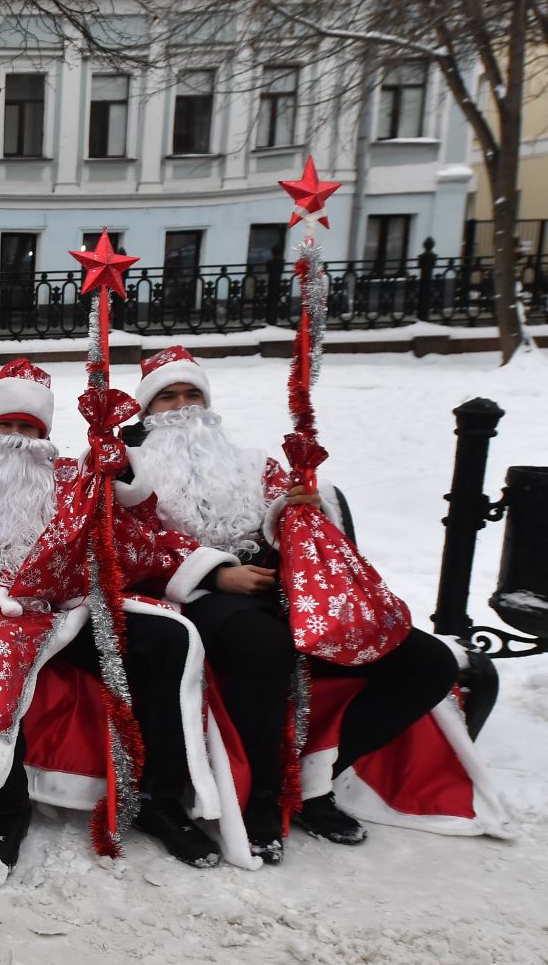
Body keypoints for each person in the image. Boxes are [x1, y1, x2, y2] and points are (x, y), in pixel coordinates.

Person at [120, 345, 463, 862]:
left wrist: (298, 510)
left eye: (193, 393)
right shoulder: (127, 468)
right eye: (168, 396)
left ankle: (315, 774)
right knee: (264, 645)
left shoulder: (252, 463)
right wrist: (216, 573)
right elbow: (130, 540)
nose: (184, 405)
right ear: (146, 410)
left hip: (284, 586)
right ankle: (261, 796)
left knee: (427, 661)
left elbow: (292, 521)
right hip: (192, 596)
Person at [0, 358, 235, 869]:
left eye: (28, 428)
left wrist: (118, 477)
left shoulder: (73, 482)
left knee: (166, 642)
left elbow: (130, 537)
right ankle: (8, 806)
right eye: (4, 426)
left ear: (46, 436)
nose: (15, 439)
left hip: (73, 604)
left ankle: (158, 800)